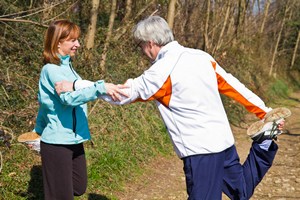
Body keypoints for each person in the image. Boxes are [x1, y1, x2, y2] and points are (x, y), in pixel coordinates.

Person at [55, 16, 289, 199]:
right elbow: (234, 86)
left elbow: (120, 95)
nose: (142, 53)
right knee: (242, 190)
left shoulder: (160, 72)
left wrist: (77, 84)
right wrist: (264, 111)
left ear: (150, 44)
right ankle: (265, 143)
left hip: (201, 152)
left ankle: (265, 142)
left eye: (140, 47)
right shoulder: (201, 57)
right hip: (224, 143)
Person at [32, 19, 126, 200]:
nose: (78, 44)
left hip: (74, 140)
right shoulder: (50, 70)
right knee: (62, 196)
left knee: (79, 186)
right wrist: (100, 88)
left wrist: (37, 130)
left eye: (78, 40)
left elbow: (45, 106)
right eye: (73, 40)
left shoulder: (71, 71)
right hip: (57, 142)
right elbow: (68, 99)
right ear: (58, 42)